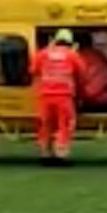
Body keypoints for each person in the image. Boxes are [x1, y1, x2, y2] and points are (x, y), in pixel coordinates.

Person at [30, 29, 88, 165]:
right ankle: (60, 155)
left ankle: (45, 154)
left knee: (46, 125)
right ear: (70, 42)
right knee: (65, 125)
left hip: (45, 95)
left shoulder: (43, 54)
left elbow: (33, 70)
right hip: (64, 96)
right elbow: (82, 74)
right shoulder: (72, 55)